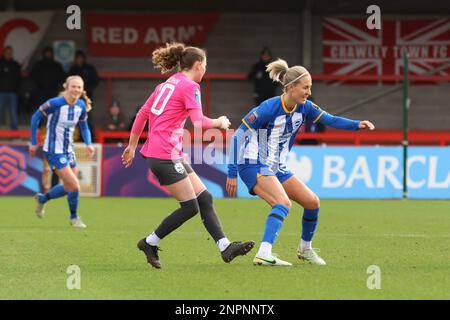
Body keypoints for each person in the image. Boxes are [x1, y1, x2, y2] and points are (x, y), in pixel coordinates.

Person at [226, 59, 375, 266]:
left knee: (312, 202)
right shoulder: (268, 107)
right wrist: (232, 172)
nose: (308, 91)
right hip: (252, 163)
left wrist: (357, 125)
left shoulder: (305, 108)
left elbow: (330, 119)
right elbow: (237, 137)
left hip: (277, 167)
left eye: (310, 87)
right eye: (305, 87)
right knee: (282, 203)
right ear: (291, 87)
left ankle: (305, 250)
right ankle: (264, 253)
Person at [122, 42, 254, 269]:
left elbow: (143, 113)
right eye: (206, 66)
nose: (205, 71)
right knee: (190, 207)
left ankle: (225, 247)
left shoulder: (166, 84)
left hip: (167, 153)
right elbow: (200, 123)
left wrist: (132, 146)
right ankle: (149, 242)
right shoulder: (190, 86)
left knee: (205, 199)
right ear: (199, 65)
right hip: (165, 155)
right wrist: (220, 122)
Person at [29, 75, 95, 228]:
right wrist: (33, 142)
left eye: (79, 87)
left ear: (82, 89)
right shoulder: (55, 103)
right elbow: (35, 117)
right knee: (75, 186)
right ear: (66, 87)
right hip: (53, 149)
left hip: (69, 149)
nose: (76, 89)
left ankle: (42, 199)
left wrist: (88, 144)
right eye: (73, 86)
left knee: (68, 187)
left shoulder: (81, 105)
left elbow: (84, 127)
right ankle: (74, 218)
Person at [0, 46, 21, 130]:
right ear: (4, 53)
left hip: (12, 92)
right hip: (1, 92)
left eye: (10, 52)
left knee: (13, 112)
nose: (9, 54)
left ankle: (14, 132)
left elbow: (19, 79)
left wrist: (17, 90)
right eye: (7, 52)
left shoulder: (15, 64)